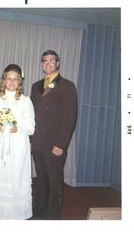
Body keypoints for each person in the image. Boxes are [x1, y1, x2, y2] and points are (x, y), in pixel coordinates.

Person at [0, 64, 35, 219]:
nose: (11, 82)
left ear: (19, 82)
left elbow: (31, 127)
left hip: (17, 147)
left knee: (14, 177)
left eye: (15, 79)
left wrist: (16, 128)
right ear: (3, 80)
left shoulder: (26, 101)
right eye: (8, 78)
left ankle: (15, 215)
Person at [30, 50, 78, 220]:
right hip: (38, 143)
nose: (48, 64)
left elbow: (70, 117)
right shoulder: (35, 86)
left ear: (57, 63)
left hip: (54, 144)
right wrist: (30, 140)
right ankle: (39, 213)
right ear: (42, 64)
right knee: (41, 179)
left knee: (55, 182)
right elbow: (31, 116)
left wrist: (61, 144)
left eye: (51, 61)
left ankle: (52, 217)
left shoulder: (67, 85)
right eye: (45, 61)